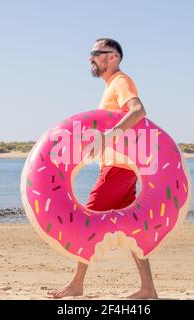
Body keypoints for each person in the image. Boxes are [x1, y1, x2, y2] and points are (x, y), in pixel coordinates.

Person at [48, 38, 158, 299]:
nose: (91, 58)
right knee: (133, 228)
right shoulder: (111, 85)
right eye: (91, 53)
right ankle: (148, 288)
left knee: (87, 222)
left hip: (118, 169)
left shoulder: (121, 81)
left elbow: (139, 110)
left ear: (113, 57)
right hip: (117, 167)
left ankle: (76, 284)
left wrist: (110, 136)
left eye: (96, 53)